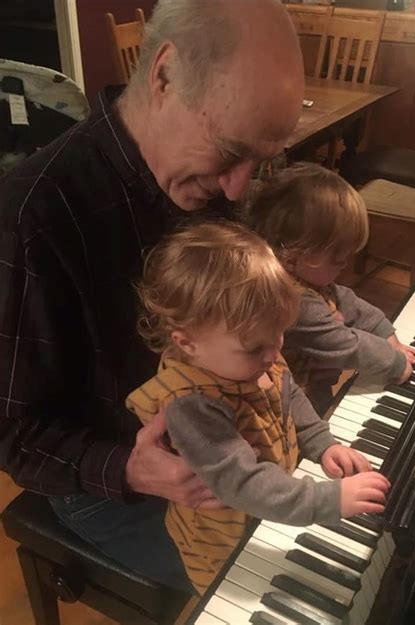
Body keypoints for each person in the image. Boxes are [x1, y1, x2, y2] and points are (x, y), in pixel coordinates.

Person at [0, 0, 305, 594]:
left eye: (259, 162)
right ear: (164, 75)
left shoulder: (209, 179)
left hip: (233, 427)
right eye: (230, 151)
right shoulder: (32, 215)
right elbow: (12, 434)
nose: (237, 189)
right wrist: (130, 469)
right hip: (115, 485)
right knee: (293, 587)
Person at [126, 221, 391, 594]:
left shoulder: (255, 354)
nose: (273, 353)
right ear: (187, 344)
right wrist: (327, 500)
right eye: (255, 348)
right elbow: (244, 483)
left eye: (278, 335)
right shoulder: (191, 406)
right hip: (224, 545)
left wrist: (322, 443)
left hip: (271, 508)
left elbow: (288, 393)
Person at [244, 163, 415, 414]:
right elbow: (345, 345)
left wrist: (385, 332)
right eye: (337, 259)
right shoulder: (290, 298)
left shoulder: (305, 276)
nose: (345, 265)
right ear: (292, 255)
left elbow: (347, 300)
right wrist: (395, 362)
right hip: (291, 403)